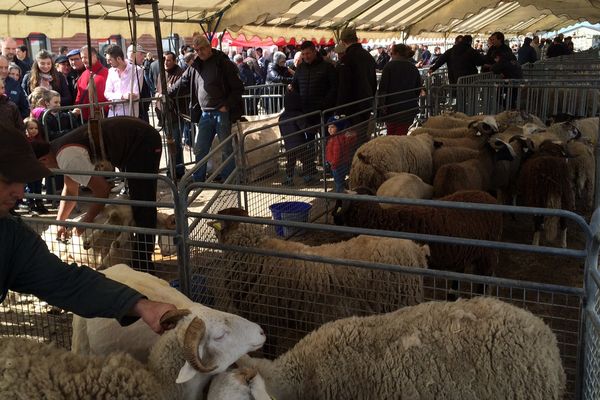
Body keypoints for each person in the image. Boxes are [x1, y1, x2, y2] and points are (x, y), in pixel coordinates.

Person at [0, 124, 177, 333]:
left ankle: (143, 263)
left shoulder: (12, 237)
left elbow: (64, 281)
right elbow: (92, 189)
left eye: (22, 182)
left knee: (143, 208)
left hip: (140, 142)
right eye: (9, 180)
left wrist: (140, 305)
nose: (21, 193)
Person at [33, 116, 163, 273]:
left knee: (143, 202)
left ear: (43, 160)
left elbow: (102, 190)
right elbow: (70, 189)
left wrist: (85, 223)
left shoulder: (66, 157)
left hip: (142, 141)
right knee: (138, 199)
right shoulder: (58, 152)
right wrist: (60, 222)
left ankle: (144, 265)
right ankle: (139, 257)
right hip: (131, 142)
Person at [167, 34, 244, 183]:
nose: (199, 52)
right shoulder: (195, 65)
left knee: (226, 148)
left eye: (202, 48)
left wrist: (226, 105)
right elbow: (182, 82)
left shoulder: (223, 63)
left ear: (209, 47)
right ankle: (198, 178)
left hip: (221, 113)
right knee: (200, 148)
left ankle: (229, 178)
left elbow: (238, 88)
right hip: (205, 113)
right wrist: (166, 93)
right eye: (197, 50)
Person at [291, 40, 337, 182]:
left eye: (308, 53)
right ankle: (310, 169)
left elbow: (334, 88)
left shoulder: (327, 67)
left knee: (326, 140)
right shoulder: (300, 69)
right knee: (309, 142)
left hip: (324, 112)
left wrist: (325, 103)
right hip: (307, 113)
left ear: (314, 51)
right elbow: (295, 85)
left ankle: (329, 166)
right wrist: (292, 90)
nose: (306, 56)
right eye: (303, 54)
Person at [337, 27, 377, 143]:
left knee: (351, 142)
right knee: (363, 137)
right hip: (366, 104)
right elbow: (373, 82)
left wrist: (339, 110)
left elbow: (344, 87)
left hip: (351, 108)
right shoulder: (368, 56)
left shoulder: (347, 59)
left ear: (343, 41)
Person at [378, 44, 422, 136]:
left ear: (397, 53)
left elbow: (383, 88)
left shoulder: (389, 67)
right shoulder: (413, 68)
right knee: (401, 134)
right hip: (408, 107)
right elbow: (418, 89)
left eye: (392, 52)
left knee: (391, 134)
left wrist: (382, 105)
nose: (390, 54)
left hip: (392, 107)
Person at [104, 44, 141, 117]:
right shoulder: (111, 71)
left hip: (129, 114)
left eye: (110, 60)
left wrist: (115, 98)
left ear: (118, 59)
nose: (108, 62)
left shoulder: (136, 70)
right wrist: (122, 96)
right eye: (107, 60)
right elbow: (107, 93)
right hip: (113, 114)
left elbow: (135, 94)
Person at [75, 45, 109, 121]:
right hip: (85, 120)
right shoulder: (82, 75)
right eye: (82, 58)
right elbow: (79, 96)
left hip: (104, 117)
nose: (83, 60)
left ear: (94, 56)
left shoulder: (108, 73)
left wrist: (105, 110)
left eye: (85, 57)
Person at [23, 117, 48, 215]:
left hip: (38, 167)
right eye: (31, 128)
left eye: (36, 128)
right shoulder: (24, 141)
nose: (34, 130)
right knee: (30, 187)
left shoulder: (40, 141)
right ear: (25, 129)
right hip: (28, 168)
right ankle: (31, 204)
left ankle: (39, 203)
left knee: (38, 186)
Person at [325, 115, 356, 192]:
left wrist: (333, 164)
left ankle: (339, 198)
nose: (329, 129)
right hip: (341, 163)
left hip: (337, 165)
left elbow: (337, 154)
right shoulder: (338, 137)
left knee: (338, 183)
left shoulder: (337, 140)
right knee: (340, 180)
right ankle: (344, 190)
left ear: (338, 128)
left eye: (332, 127)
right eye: (328, 127)